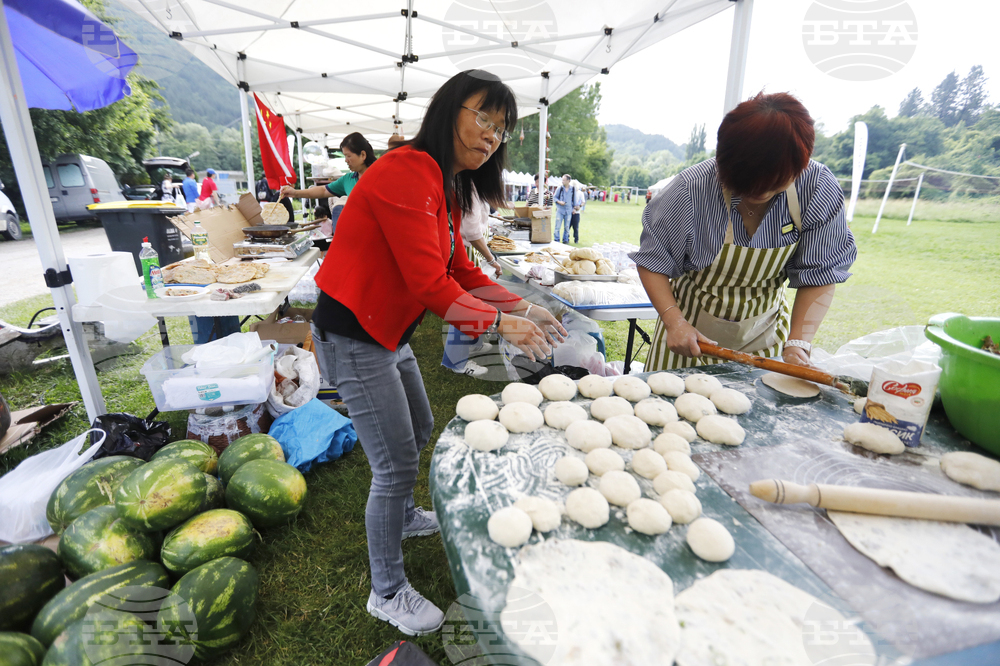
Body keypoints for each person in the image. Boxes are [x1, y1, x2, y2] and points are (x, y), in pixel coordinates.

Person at [309, 69, 566, 636]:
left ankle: (400, 518)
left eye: (501, 129)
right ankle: (387, 590)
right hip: (355, 332)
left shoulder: (444, 182)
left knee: (420, 424)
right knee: (394, 464)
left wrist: (523, 307)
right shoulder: (407, 169)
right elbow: (431, 284)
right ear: (449, 110)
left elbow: (457, 267)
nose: (491, 135)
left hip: (387, 332)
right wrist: (503, 324)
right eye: (483, 118)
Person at [632, 92, 857, 371]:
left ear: (799, 167)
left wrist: (799, 341)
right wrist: (674, 321)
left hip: (764, 338)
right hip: (687, 337)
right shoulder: (691, 189)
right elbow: (654, 261)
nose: (759, 192)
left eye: (773, 184)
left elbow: (820, 272)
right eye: (746, 184)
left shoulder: (817, 188)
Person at [441, 189, 505, 376]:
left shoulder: (473, 186)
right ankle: (455, 361)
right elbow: (471, 231)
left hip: (467, 248)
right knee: (464, 303)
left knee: (476, 299)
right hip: (465, 248)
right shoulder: (468, 187)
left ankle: (472, 344)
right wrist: (492, 259)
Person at [280, 132, 375, 201]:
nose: (346, 160)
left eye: (349, 156)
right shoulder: (348, 179)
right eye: (345, 156)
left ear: (363, 155)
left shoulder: (380, 175)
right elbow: (323, 190)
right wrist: (295, 193)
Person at [553, 174, 574, 244]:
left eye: (564, 180)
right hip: (560, 210)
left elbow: (574, 200)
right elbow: (554, 197)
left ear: (568, 181)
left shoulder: (572, 189)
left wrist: (574, 208)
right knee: (557, 226)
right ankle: (556, 239)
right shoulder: (560, 188)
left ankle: (565, 239)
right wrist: (559, 202)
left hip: (568, 210)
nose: (563, 181)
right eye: (562, 180)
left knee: (567, 227)